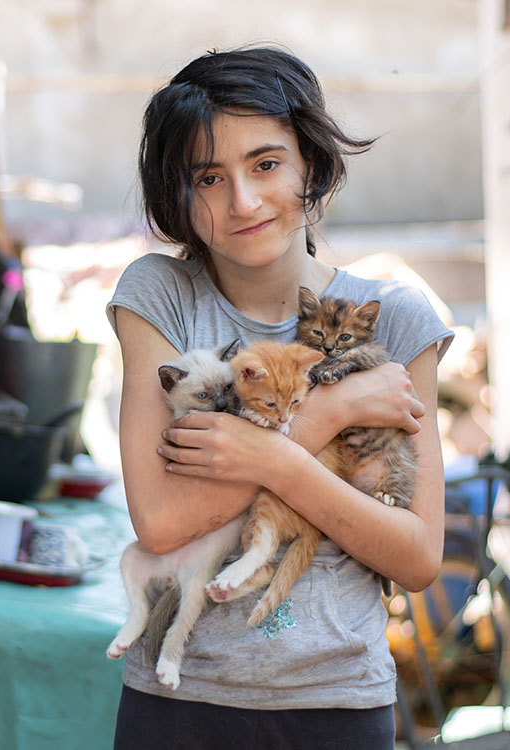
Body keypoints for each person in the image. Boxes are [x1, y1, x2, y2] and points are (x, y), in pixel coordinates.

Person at [105, 46, 454, 749]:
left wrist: (263, 455)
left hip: (339, 703)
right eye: (209, 177)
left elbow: (416, 558)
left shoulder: (392, 318)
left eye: (266, 164)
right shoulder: (159, 297)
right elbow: (163, 523)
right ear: (178, 195)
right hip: (180, 702)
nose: (243, 201)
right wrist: (329, 413)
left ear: (310, 167)